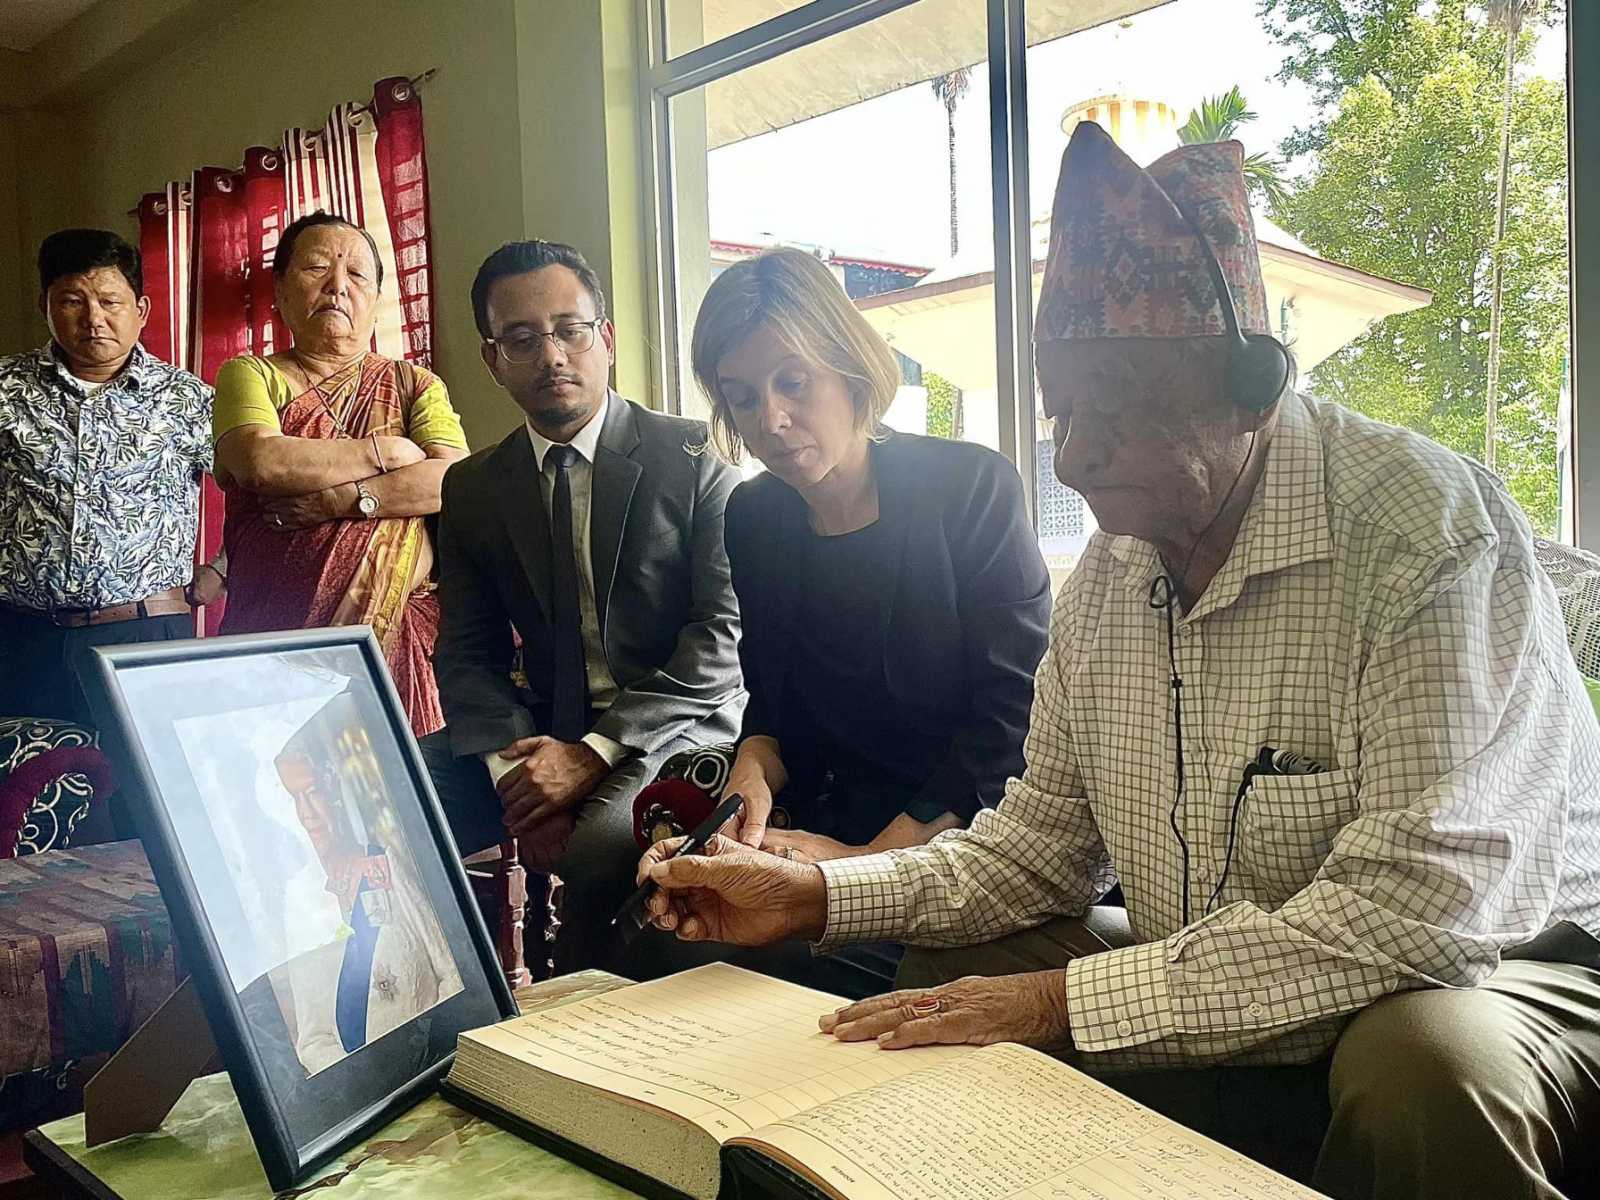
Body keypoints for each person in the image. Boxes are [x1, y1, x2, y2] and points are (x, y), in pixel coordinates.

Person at [638, 122, 1600, 1200]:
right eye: (1060, 413)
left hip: (1505, 967)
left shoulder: (1425, 531)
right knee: (947, 980)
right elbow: (1032, 849)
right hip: (1206, 950)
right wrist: (813, 894)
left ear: (1248, 393)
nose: (1068, 456)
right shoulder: (1107, 579)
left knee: (1425, 1065)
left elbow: (1421, 913)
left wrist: (1055, 1003)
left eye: (1112, 414)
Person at [423, 240, 744, 976]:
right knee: (388, 806)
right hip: (540, 729)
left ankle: (583, 1033)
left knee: (599, 846)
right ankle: (447, 1010)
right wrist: (516, 776)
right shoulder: (474, 487)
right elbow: (466, 652)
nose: (552, 356)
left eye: (570, 330)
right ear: (492, 358)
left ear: (606, 339)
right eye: (523, 339)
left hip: (669, 724)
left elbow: (718, 643)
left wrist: (589, 758)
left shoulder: (694, 458)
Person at [690, 248, 1050, 869]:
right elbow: (774, 709)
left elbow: (1013, 718)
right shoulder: (753, 517)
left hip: (970, 833)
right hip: (832, 828)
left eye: (794, 383)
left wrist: (867, 866)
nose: (771, 419)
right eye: (743, 397)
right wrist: (750, 769)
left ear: (849, 367)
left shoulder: (969, 487)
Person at [211, 212, 468, 737]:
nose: (337, 287)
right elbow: (261, 462)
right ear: (280, 289)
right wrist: (389, 453)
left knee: (396, 792)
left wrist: (339, 501)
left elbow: (452, 481)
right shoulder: (251, 374)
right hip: (274, 636)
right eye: (316, 268)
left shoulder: (414, 383)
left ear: (376, 299)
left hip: (395, 641)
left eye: (356, 276)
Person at [0, 229, 220, 727]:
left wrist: (222, 568)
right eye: (72, 301)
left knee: (144, 794)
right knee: (23, 794)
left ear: (140, 309)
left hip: (146, 634)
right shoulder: (6, 390)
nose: (93, 318)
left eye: (109, 300)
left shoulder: (188, 399)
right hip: (21, 638)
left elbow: (257, 491)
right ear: (45, 306)